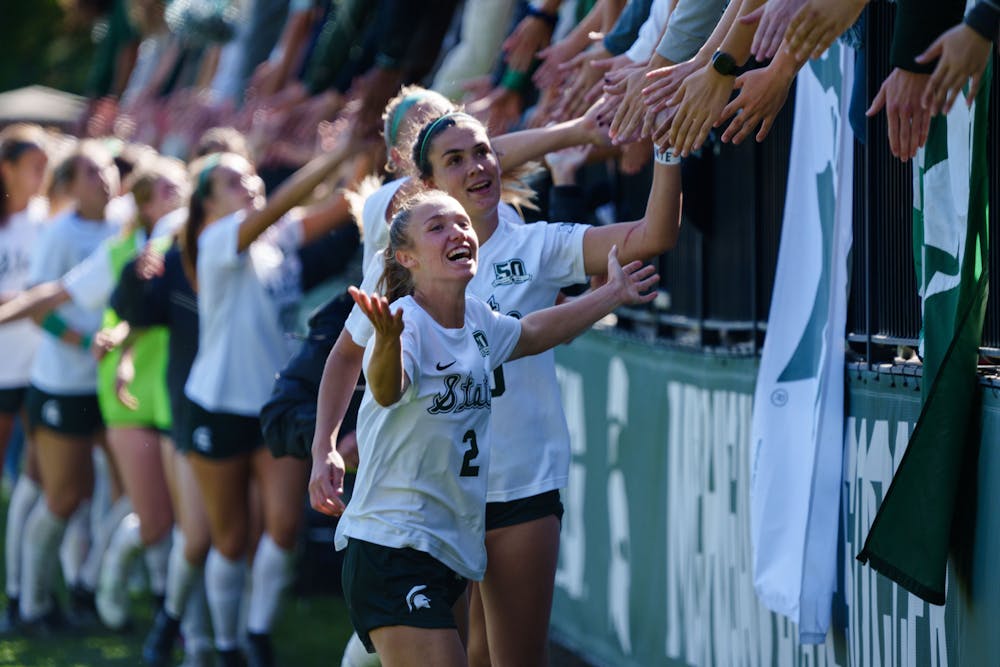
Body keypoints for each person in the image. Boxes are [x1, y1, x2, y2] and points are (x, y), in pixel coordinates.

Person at [311, 110, 682, 667]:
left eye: (485, 153)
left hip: (502, 493)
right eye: (454, 161)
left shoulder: (513, 272)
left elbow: (533, 330)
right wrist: (328, 443)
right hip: (416, 519)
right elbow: (373, 378)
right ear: (425, 189)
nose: (478, 166)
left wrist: (666, 152)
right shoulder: (403, 288)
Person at [180, 134, 359, 666]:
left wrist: (367, 153)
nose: (250, 185)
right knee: (231, 538)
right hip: (217, 405)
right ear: (207, 201)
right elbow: (283, 204)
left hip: (274, 407)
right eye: (233, 181)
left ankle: (256, 637)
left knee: (284, 525)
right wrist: (332, 154)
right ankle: (227, 644)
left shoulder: (274, 235)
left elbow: (346, 205)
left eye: (251, 176)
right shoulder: (216, 238)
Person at [12, 141, 122, 631]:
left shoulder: (125, 227)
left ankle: (89, 588)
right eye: (92, 173)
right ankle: (29, 603)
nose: (105, 179)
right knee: (61, 496)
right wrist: (84, 341)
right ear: (70, 184)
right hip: (62, 385)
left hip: (114, 383)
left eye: (107, 170)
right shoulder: (59, 233)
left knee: (116, 491)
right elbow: (38, 309)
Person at [0, 124, 50, 629]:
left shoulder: (46, 219)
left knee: (31, 482)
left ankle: (21, 591)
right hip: (0, 368)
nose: (42, 176)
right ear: (6, 169)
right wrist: (37, 301)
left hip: (38, 369)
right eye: (34, 165)